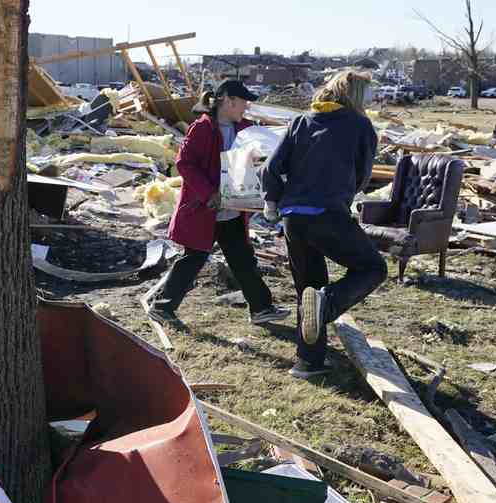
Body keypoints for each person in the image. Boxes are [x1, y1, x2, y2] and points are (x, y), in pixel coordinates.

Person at [260, 70, 387, 378]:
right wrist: (346, 191)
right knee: (373, 268)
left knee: (308, 288)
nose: (372, 98)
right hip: (327, 214)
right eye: (368, 92)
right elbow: (362, 175)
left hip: (293, 218)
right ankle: (327, 304)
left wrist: (271, 201)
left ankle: (308, 362)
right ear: (356, 94)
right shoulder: (360, 125)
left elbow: (270, 168)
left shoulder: (300, 122)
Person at [145, 80, 290, 327]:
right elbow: (185, 164)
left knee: (243, 259)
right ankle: (162, 307)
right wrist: (209, 194)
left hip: (232, 209)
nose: (246, 106)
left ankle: (261, 309)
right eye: (243, 101)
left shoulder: (245, 128)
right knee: (194, 259)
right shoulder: (202, 128)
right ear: (228, 101)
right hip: (205, 209)